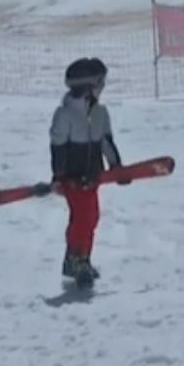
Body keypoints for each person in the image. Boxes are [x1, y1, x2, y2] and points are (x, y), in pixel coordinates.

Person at [50, 57, 126, 284]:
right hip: (73, 179)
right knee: (81, 218)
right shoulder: (65, 114)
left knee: (91, 217)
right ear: (89, 86)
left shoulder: (101, 113)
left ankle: (83, 258)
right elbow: (58, 147)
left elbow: (106, 143)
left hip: (93, 176)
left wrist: (116, 167)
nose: (103, 88)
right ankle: (75, 259)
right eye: (101, 83)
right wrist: (60, 176)